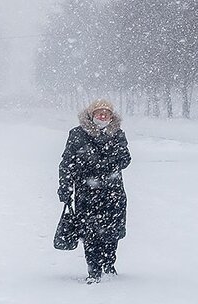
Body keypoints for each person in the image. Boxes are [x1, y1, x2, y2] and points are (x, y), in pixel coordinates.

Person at [58, 99, 132, 284]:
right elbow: (67, 163)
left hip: (113, 193)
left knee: (112, 232)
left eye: (106, 113)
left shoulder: (117, 134)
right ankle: (94, 270)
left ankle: (109, 265)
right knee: (90, 232)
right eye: (99, 112)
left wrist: (111, 157)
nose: (103, 115)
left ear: (111, 116)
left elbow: (125, 160)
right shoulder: (77, 134)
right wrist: (65, 187)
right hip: (87, 194)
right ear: (91, 115)